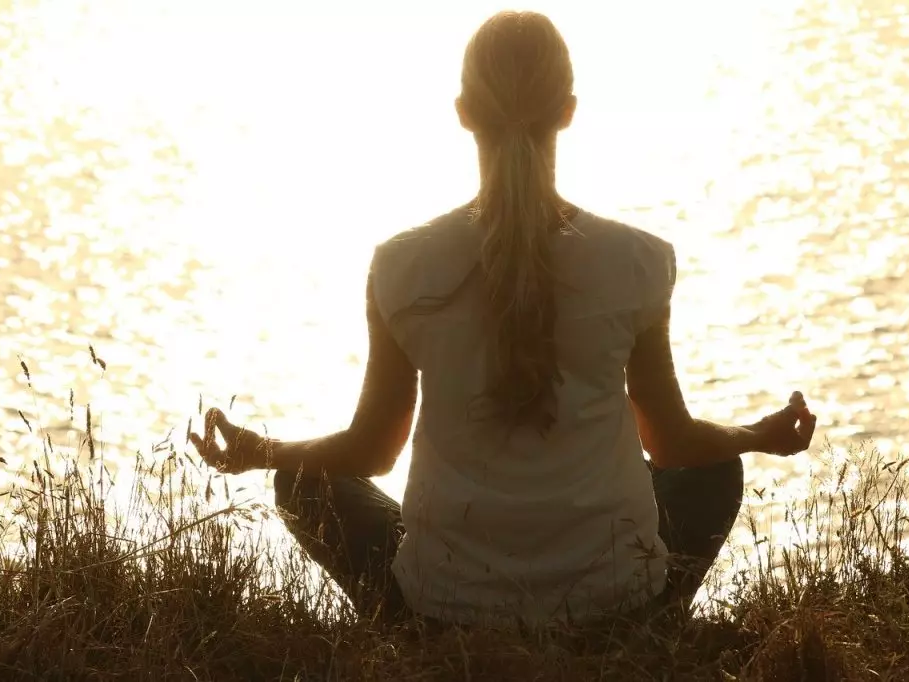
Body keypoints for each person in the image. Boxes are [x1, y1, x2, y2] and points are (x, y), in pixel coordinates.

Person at [189, 10, 817, 631]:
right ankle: (641, 626)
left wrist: (260, 451)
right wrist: (754, 436)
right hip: (614, 604)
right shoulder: (639, 262)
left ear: (463, 111)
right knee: (713, 465)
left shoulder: (401, 266)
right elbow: (671, 441)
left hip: (444, 610)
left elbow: (372, 451)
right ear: (568, 110)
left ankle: (412, 634)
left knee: (303, 482)